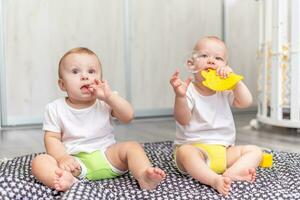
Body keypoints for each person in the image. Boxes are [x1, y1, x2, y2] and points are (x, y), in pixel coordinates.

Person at [31, 47, 166, 192]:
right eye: (75, 72)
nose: (85, 76)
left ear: (100, 80)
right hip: (75, 163)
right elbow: (52, 138)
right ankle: (66, 180)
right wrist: (62, 157)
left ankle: (143, 176)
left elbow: (128, 116)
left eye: (91, 71)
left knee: (132, 146)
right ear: (62, 84)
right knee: (40, 161)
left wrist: (110, 97)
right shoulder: (55, 108)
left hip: (108, 156)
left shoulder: (105, 100)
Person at [169, 36, 262, 196]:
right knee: (185, 152)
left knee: (255, 151)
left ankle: (231, 173)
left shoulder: (225, 89)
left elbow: (245, 102)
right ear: (191, 63)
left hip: (224, 151)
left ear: (226, 66)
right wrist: (180, 97)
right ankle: (214, 180)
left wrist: (235, 82)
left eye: (218, 58)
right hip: (196, 150)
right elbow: (182, 119)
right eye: (204, 56)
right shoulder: (188, 90)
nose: (211, 61)